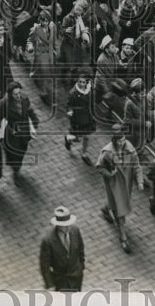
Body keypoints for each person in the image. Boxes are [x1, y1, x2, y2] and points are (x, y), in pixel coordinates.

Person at [96, 124, 144, 253]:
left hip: (126, 186)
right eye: (119, 140)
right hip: (113, 185)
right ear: (114, 140)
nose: (122, 142)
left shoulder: (130, 149)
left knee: (117, 204)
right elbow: (99, 167)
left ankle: (106, 208)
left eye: (123, 139)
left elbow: (137, 166)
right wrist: (109, 174)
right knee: (120, 213)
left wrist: (140, 181)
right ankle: (123, 238)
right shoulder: (107, 152)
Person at [0, 81, 38, 184]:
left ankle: (17, 167)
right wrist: (10, 131)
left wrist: (34, 121)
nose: (18, 96)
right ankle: (16, 171)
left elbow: (29, 110)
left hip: (24, 132)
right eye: (15, 94)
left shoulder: (24, 98)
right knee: (14, 155)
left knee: (22, 151)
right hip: (12, 136)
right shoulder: (4, 104)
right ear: (10, 94)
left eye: (19, 93)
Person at [39, 207, 85, 292]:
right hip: (60, 281)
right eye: (64, 226)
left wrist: (81, 267)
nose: (67, 228)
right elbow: (44, 265)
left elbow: (80, 249)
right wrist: (50, 284)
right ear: (58, 225)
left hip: (76, 277)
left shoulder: (75, 230)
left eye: (68, 225)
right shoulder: (48, 240)